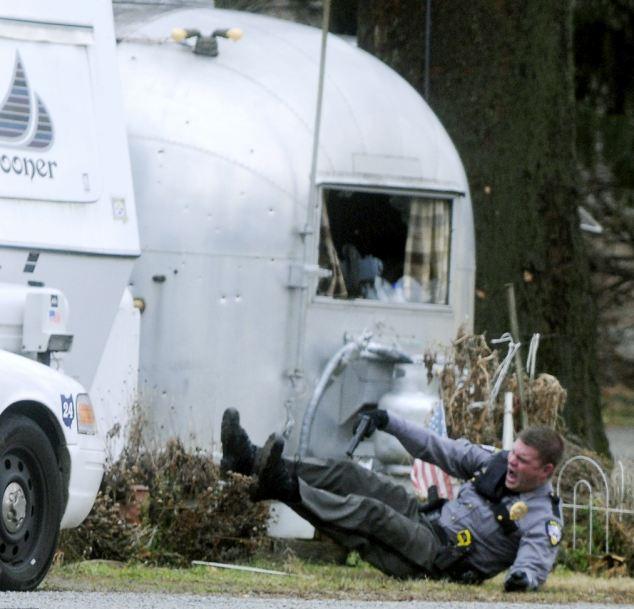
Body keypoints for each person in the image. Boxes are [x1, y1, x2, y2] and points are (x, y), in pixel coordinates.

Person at [220, 407, 564, 591]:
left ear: (546, 470)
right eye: (514, 454)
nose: (512, 464)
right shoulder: (496, 461)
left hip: (438, 560)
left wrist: (523, 579)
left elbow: (535, 561)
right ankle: (248, 459)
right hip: (426, 520)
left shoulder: (542, 516)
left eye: (523, 461)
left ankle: (284, 487)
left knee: (372, 513)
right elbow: (436, 447)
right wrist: (388, 422)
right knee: (352, 475)